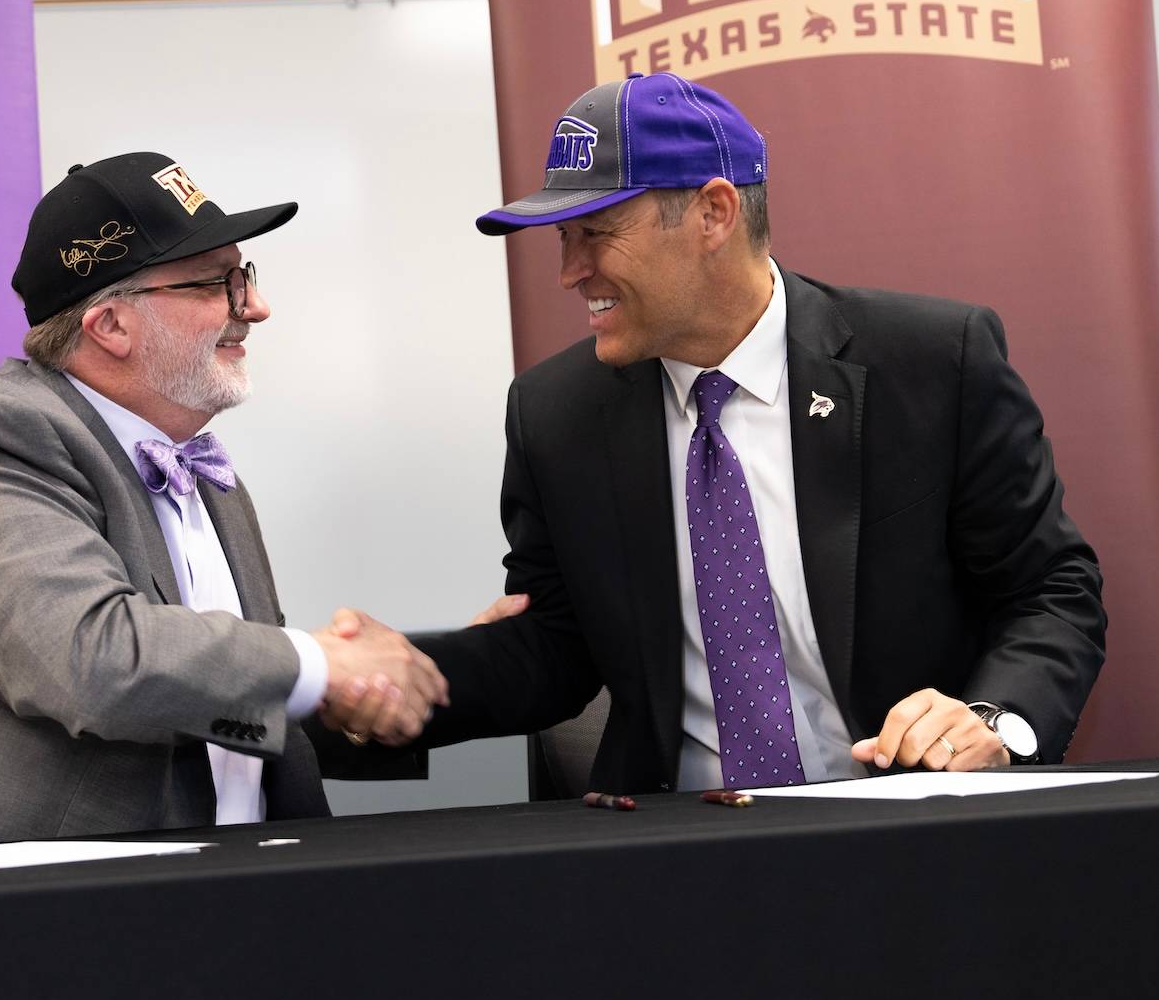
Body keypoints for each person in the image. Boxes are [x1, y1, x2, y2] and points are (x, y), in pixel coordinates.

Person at [347, 73, 1105, 792]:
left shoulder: (932, 364)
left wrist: (990, 720)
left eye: (595, 233)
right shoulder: (556, 413)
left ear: (714, 212)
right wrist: (371, 678)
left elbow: (1052, 590)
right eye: (561, 240)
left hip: (911, 820)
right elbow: (557, 646)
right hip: (680, 846)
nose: (570, 271)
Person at [0, 152, 445, 856]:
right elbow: (90, 658)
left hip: (201, 900)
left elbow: (217, 695)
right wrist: (318, 664)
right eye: (218, 284)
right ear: (110, 325)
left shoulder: (210, 479)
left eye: (246, 277)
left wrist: (365, 688)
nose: (255, 307)